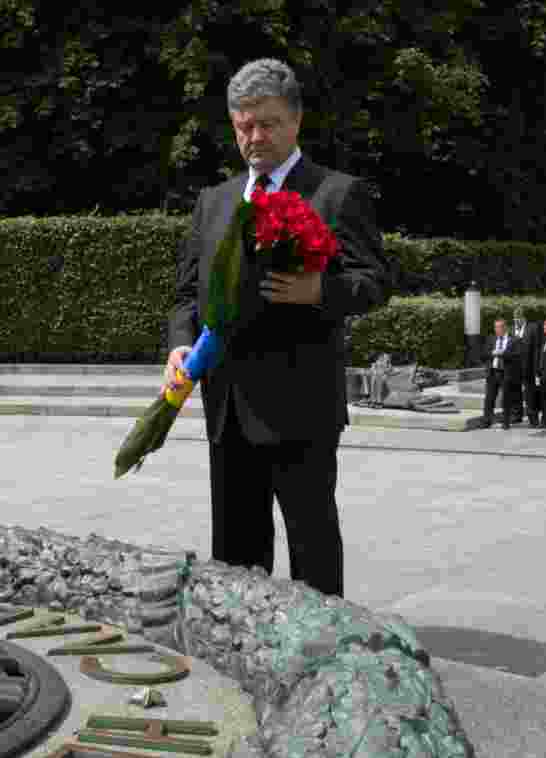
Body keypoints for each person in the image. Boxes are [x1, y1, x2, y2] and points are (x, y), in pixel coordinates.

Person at [165, 59, 392, 599]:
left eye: (266, 123)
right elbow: (185, 292)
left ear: (295, 121)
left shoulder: (337, 193)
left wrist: (321, 291)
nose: (253, 137)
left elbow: (375, 280)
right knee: (235, 562)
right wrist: (179, 342)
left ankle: (327, 653)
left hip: (301, 407)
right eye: (243, 125)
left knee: (312, 550)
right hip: (228, 410)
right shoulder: (213, 201)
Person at [482, 319, 520, 430]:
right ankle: (487, 420)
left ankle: (505, 421)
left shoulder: (514, 340)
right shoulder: (491, 339)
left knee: (506, 399)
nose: (497, 330)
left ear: (505, 328)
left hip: (506, 372)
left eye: (499, 327)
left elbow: (517, 355)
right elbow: (483, 354)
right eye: (495, 327)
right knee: (489, 398)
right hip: (493, 372)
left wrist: (504, 353)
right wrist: (491, 353)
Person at [511, 306, 541, 427]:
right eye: (515, 318)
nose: (516, 320)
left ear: (524, 318)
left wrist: (536, 367)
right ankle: (517, 415)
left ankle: (532, 417)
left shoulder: (532, 328)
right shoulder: (512, 330)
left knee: (530, 392)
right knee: (515, 391)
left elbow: (536, 349)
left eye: (519, 318)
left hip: (528, 366)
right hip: (515, 367)